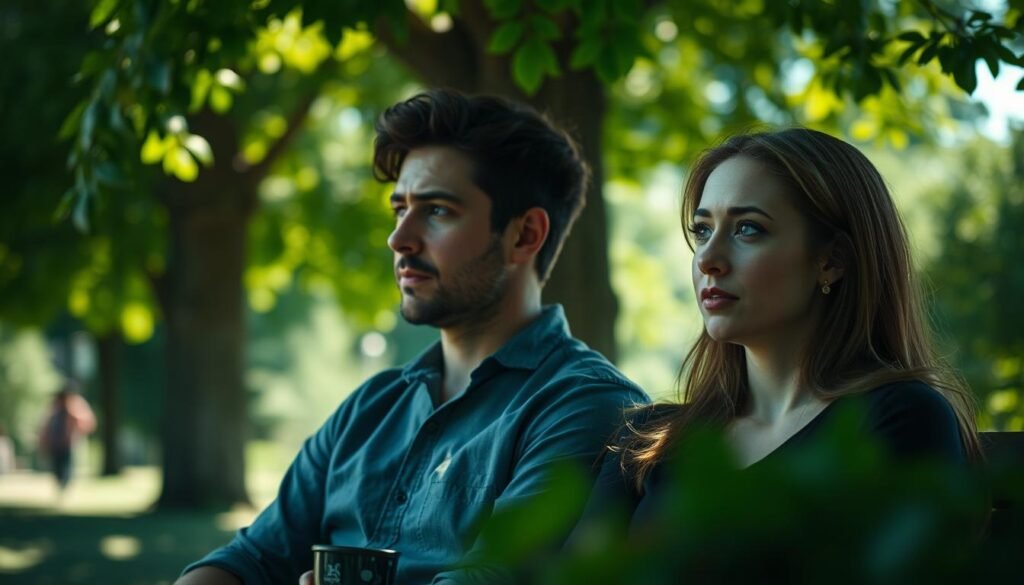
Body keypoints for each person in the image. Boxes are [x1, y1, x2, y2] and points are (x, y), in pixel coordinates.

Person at [177, 89, 648, 585]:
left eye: (437, 210)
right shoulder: (370, 409)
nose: (399, 238)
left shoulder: (588, 406)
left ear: (524, 235)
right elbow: (249, 559)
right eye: (399, 208)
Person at [572, 128, 980, 541]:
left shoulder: (898, 418)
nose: (708, 259)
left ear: (831, 261)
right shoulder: (648, 441)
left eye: (748, 229)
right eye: (702, 231)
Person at [38, 381, 96, 492]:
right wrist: (44, 441)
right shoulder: (54, 406)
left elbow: (87, 422)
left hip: (69, 443)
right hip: (55, 443)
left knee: (67, 467)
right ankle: (60, 484)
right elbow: (46, 425)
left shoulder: (76, 404)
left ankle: (65, 484)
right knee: (56, 467)